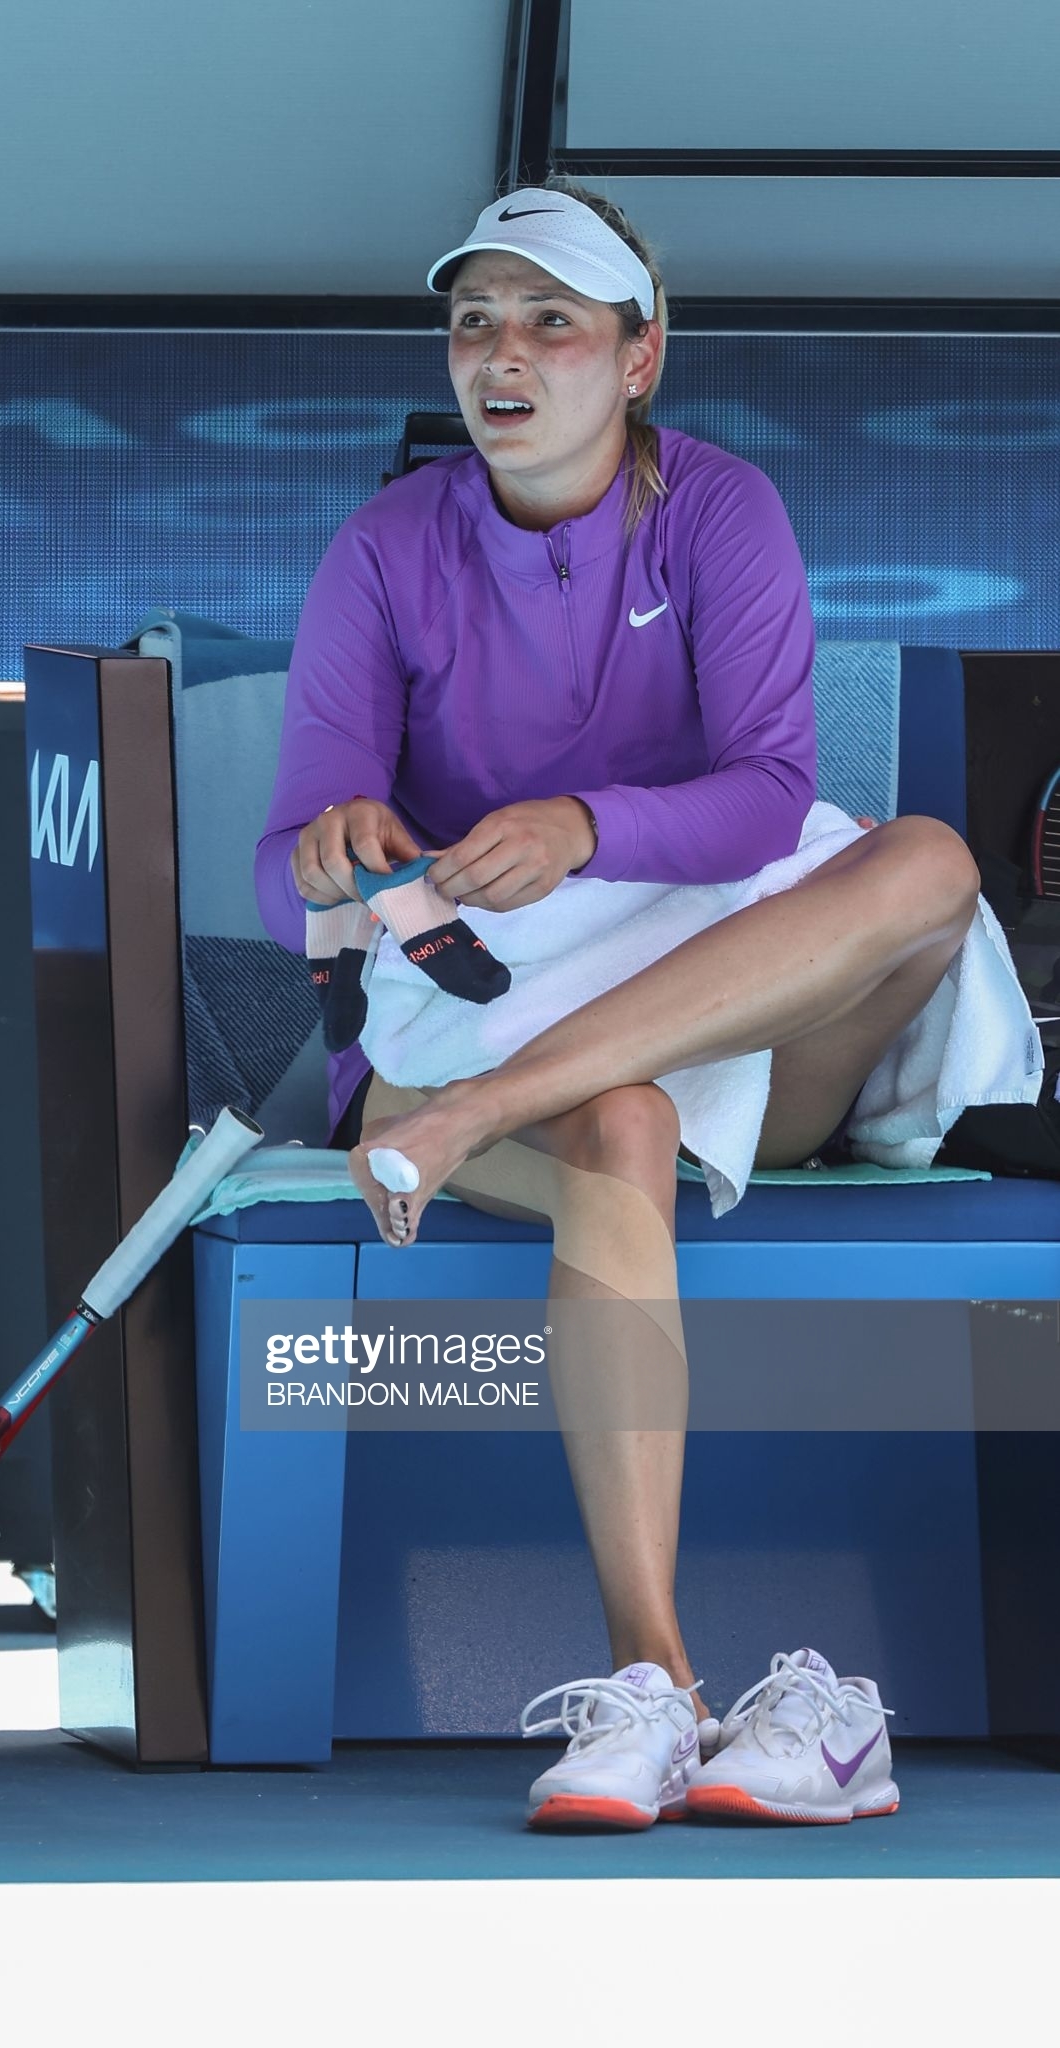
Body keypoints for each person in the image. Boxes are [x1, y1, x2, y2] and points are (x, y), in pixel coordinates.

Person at [254, 179, 979, 1829]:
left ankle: (472, 1119)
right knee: (624, 1120)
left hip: (721, 1029)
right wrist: (327, 853)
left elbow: (767, 794)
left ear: (640, 357)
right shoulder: (383, 550)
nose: (500, 357)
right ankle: (655, 1681)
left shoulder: (722, 511)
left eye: (550, 324)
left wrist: (585, 829)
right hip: (492, 1021)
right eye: (473, 325)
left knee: (928, 862)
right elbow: (288, 860)